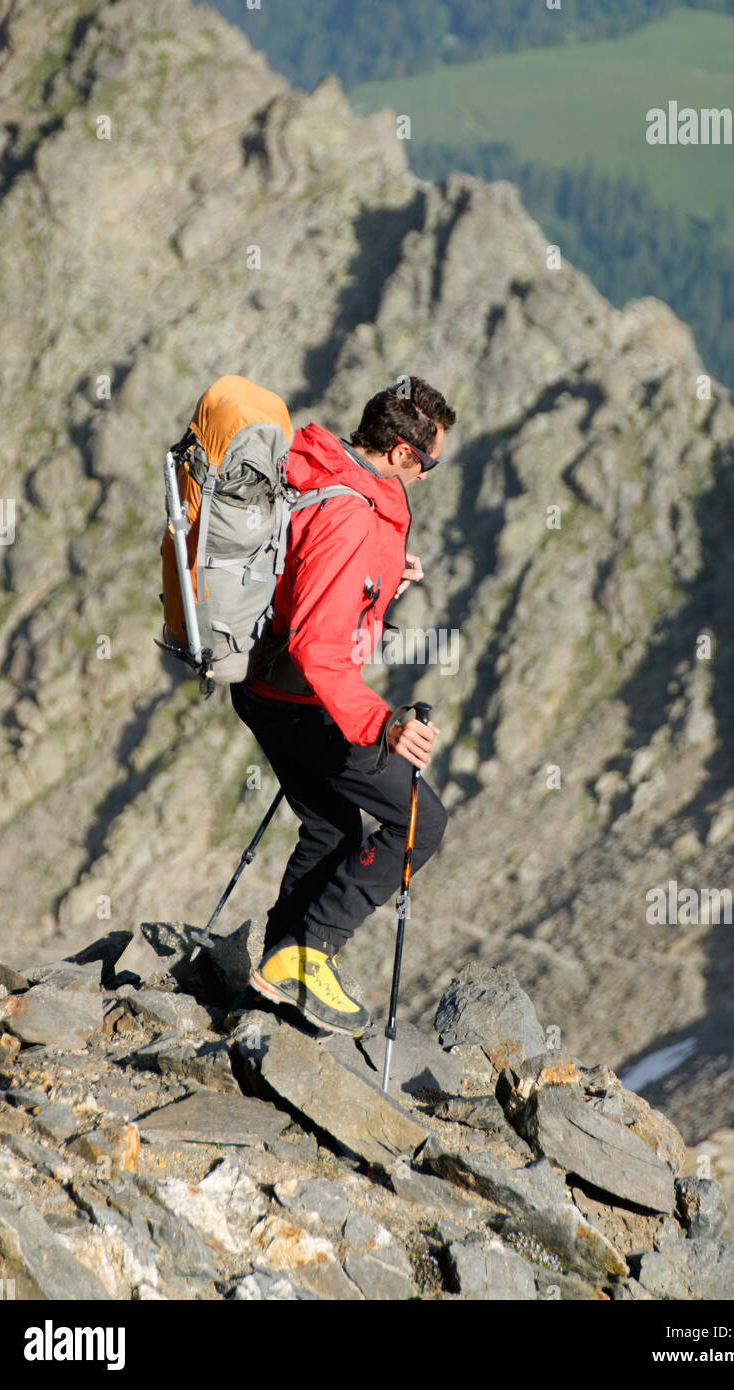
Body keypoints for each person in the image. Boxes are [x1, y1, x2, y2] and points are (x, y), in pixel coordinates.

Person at [230, 376, 456, 1035]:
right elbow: (317, 645)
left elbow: (318, 583)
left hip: (267, 688)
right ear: (398, 453)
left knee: (331, 829)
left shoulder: (324, 469)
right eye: (429, 463)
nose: (427, 476)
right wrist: (382, 726)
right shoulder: (351, 513)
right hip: (300, 699)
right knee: (419, 821)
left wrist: (385, 579)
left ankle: (270, 983)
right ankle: (306, 954)